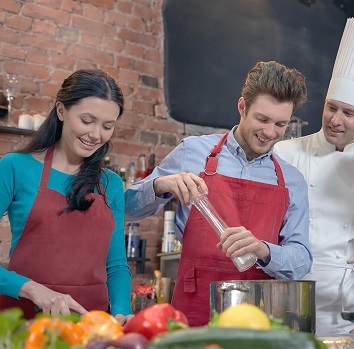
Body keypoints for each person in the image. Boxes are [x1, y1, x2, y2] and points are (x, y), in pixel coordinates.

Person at [125, 61, 312, 327]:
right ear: (242, 107)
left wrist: (263, 249)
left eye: (280, 124)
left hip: (257, 319)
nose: (270, 132)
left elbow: (302, 259)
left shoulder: (291, 180)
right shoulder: (192, 152)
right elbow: (125, 209)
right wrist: (159, 185)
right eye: (262, 119)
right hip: (193, 311)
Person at [273, 17, 354, 336]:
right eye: (332, 108)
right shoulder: (284, 154)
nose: (335, 119)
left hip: (350, 303)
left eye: (348, 113)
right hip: (289, 296)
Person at [0, 69, 133, 324]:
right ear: (61, 110)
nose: (96, 135)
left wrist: (121, 312)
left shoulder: (111, 184)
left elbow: (115, 264)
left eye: (107, 126)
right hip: (24, 324)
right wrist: (32, 289)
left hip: (90, 326)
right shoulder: (16, 167)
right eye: (87, 121)